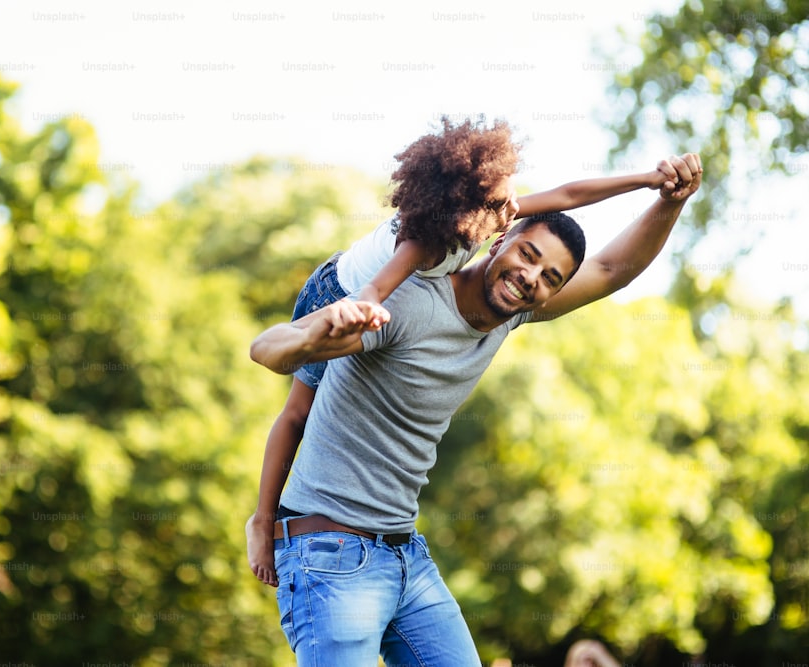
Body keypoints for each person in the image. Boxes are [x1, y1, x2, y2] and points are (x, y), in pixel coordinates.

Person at [249, 154, 702, 665]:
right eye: (528, 255)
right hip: (329, 555)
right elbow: (268, 350)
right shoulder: (408, 302)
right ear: (500, 238)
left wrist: (670, 200)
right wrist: (315, 335)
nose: (532, 276)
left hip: (405, 555)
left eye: (550, 276)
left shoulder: (509, 318)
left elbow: (612, 269)